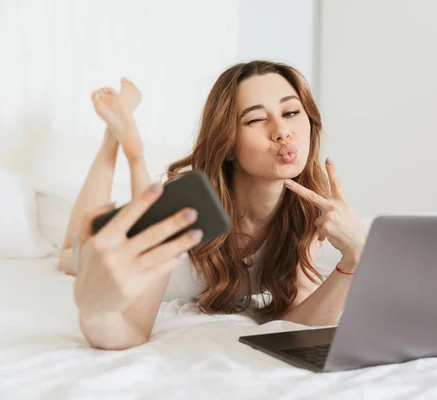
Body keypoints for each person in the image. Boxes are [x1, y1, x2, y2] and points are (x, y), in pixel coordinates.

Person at [60, 61, 368, 350]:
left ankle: (131, 149)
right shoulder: (186, 208)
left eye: (290, 112)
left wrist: (353, 260)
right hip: (146, 242)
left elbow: (295, 325)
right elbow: (132, 330)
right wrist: (93, 311)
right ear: (228, 142)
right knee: (69, 256)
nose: (282, 131)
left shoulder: (307, 209)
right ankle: (114, 139)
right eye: (256, 119)